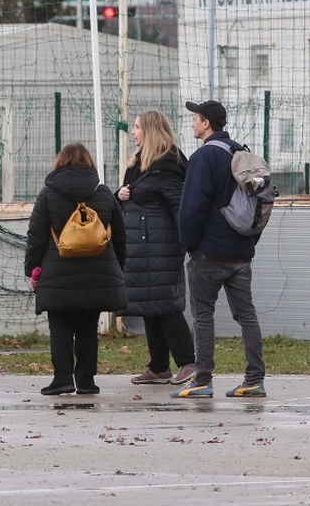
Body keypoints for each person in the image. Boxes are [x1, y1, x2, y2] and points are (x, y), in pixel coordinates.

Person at [172, 99, 267, 399]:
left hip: (209, 253)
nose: (192, 123)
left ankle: (202, 379)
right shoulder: (241, 153)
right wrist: (249, 242)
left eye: (195, 118)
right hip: (241, 250)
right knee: (247, 314)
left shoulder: (204, 158)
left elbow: (192, 208)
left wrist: (189, 244)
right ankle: (254, 379)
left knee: (204, 315)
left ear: (206, 124)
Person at [24, 143, 127, 396]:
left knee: (60, 327)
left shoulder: (48, 194)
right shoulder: (104, 194)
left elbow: (36, 236)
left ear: (60, 163)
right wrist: (116, 269)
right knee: (87, 329)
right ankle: (86, 381)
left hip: (57, 274)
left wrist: (32, 270)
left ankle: (62, 379)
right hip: (97, 274)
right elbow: (121, 237)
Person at [117, 110, 195, 387]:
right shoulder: (139, 163)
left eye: (137, 127)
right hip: (140, 247)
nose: (133, 132)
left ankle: (188, 361)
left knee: (165, 305)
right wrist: (119, 195)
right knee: (150, 305)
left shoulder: (167, 165)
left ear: (150, 131)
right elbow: (131, 197)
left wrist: (188, 242)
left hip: (162, 246)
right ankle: (159, 366)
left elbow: (179, 207)